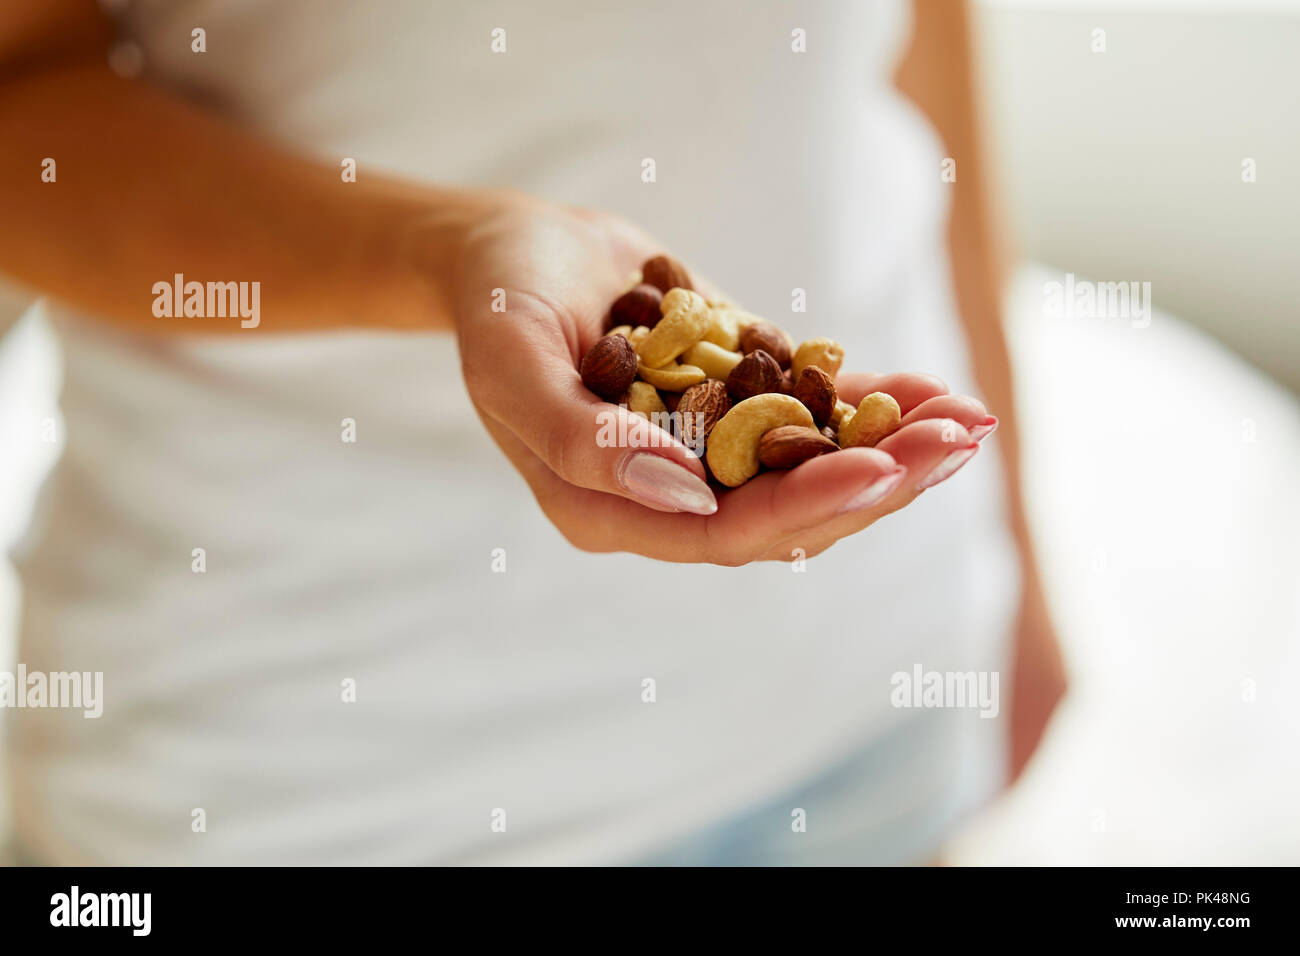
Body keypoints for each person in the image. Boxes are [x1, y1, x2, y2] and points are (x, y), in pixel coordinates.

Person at [0, 0, 1065, 865]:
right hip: (305, 776)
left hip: (855, 710)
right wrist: (451, 251)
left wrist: (1010, 536)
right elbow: (23, 105)